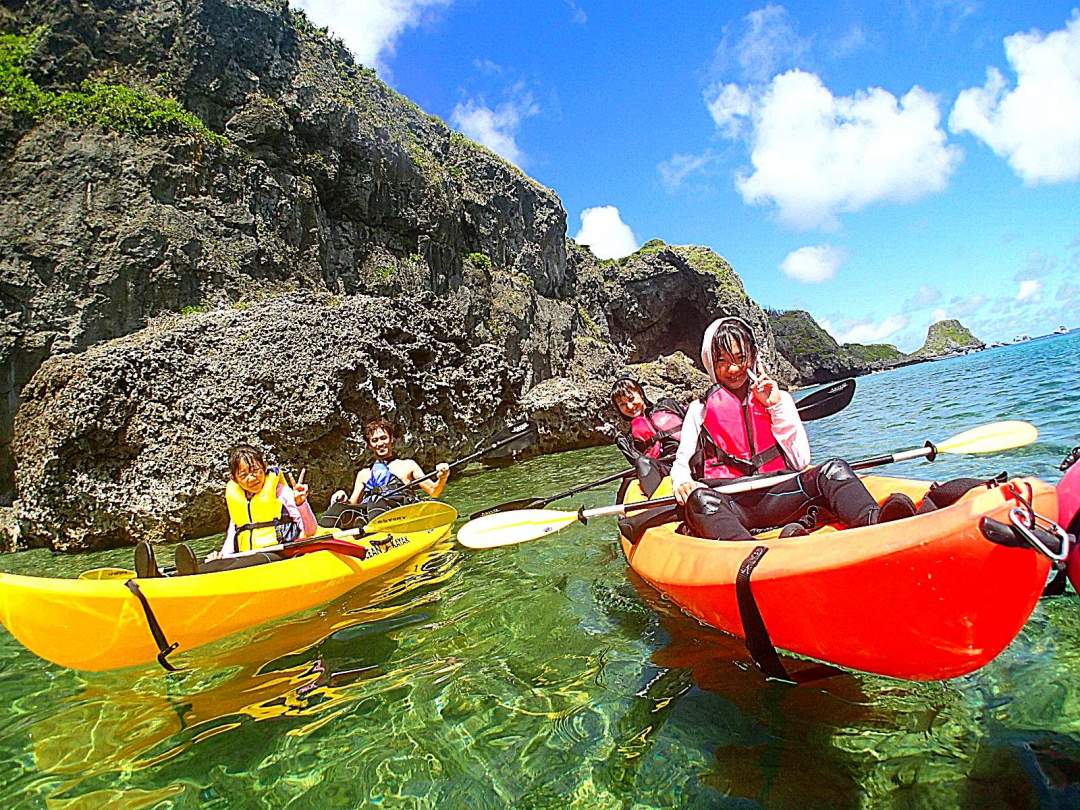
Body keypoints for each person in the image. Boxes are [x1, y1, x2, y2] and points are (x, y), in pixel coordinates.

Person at [669, 316, 916, 541]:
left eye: (739, 358)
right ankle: (750, 554)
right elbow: (681, 464)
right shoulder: (699, 409)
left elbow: (800, 461)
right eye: (722, 361)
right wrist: (683, 482)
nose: (733, 369)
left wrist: (775, 408)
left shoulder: (779, 399)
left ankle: (874, 520)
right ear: (710, 363)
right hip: (732, 505)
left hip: (780, 495)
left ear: (752, 357)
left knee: (835, 468)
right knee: (699, 501)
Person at [133, 444, 318, 577]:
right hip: (247, 554)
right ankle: (162, 575)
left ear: (264, 468)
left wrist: (301, 503)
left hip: (279, 554)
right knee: (221, 562)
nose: (252, 478)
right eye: (244, 475)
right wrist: (222, 555)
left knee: (236, 564)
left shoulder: (282, 493)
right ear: (235, 479)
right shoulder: (239, 501)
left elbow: (310, 531)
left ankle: (186, 575)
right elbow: (234, 533)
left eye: (256, 471)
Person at [323, 418, 450, 528]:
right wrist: (342, 498)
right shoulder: (364, 474)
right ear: (370, 445)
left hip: (399, 513)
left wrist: (443, 477)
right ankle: (318, 539)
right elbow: (353, 505)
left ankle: (376, 533)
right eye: (375, 440)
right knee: (338, 507)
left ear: (391, 440)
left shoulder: (408, 465)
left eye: (383, 438)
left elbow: (434, 491)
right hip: (370, 513)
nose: (380, 443)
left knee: (375, 499)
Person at [610, 378, 686, 496]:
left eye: (631, 399)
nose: (630, 406)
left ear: (640, 393)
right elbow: (639, 464)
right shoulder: (631, 437)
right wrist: (621, 442)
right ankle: (658, 505)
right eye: (623, 404)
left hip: (688, 459)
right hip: (664, 468)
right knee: (634, 472)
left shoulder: (668, 405)